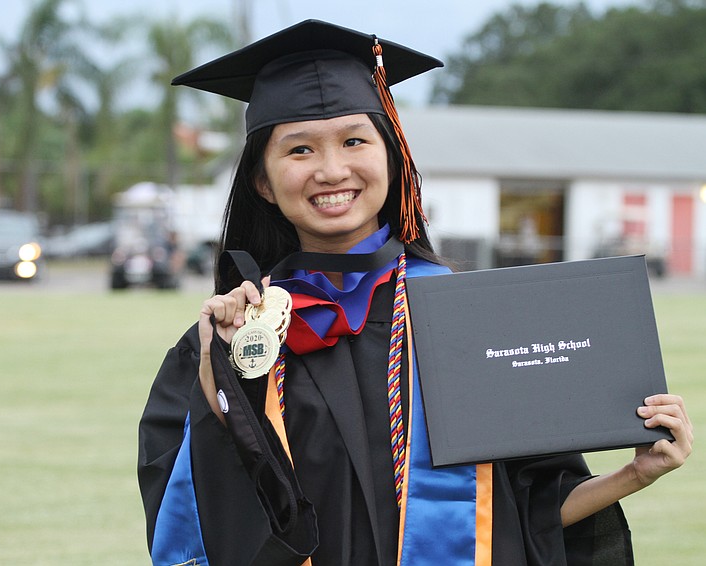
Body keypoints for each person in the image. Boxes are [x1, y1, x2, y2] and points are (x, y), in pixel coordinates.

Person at [137, 20, 693, 566]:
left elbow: (529, 513)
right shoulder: (230, 340)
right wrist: (224, 375)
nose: (332, 170)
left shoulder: (473, 321)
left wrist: (634, 473)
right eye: (299, 150)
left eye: (355, 140)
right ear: (262, 180)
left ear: (391, 156)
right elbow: (200, 528)